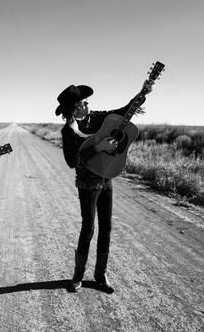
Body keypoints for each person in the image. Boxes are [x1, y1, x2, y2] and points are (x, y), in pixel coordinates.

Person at [55, 81, 153, 293]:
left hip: (106, 179)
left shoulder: (99, 118)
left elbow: (124, 112)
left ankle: (101, 274)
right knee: (88, 228)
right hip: (87, 183)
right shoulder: (69, 131)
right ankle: (78, 276)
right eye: (84, 102)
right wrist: (99, 146)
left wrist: (142, 92)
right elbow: (72, 161)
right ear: (75, 108)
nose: (88, 103)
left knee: (106, 228)